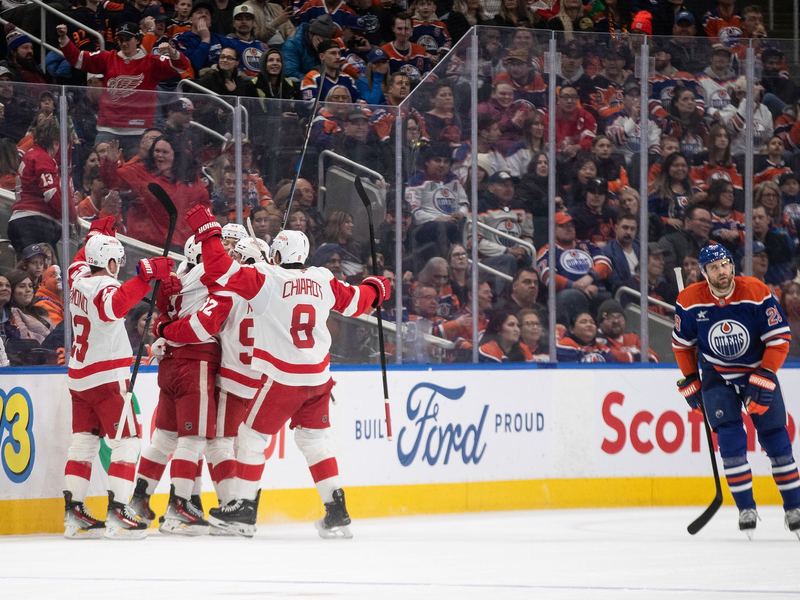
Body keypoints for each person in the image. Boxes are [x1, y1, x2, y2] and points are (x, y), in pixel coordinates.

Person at [184, 206, 389, 539]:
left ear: (276, 254)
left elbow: (220, 270)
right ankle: (336, 511)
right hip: (319, 379)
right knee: (314, 441)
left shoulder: (267, 277)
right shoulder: (323, 279)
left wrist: (209, 232)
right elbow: (358, 302)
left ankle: (244, 510)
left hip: (283, 378)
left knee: (251, 438)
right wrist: (378, 288)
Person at [673, 243, 800, 538]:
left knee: (777, 441)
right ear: (704, 273)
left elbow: (780, 339)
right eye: (714, 267)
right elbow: (682, 345)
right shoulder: (690, 300)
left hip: (757, 371)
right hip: (717, 375)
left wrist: (766, 375)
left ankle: (794, 507)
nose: (722, 271)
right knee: (730, 444)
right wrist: (691, 378)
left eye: (725, 264)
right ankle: (746, 509)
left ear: (732, 265)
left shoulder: (755, 291)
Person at [63, 220, 174, 539]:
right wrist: (145, 275)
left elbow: (78, 261)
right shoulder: (105, 286)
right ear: (110, 263)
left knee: (83, 444)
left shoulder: (77, 279)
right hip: (106, 378)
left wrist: (94, 237)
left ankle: (74, 514)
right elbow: (115, 306)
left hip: (79, 376)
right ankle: (118, 511)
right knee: (127, 442)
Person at [57, 22, 190, 159]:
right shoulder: (108, 58)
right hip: (108, 129)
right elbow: (78, 60)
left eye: (128, 39)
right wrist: (64, 38)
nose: (124, 43)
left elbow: (181, 67)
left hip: (139, 132)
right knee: (100, 171)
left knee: (135, 176)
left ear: (137, 40)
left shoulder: (151, 62)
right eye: (121, 40)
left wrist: (172, 52)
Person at [101, 136, 211, 249]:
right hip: (144, 247)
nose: (160, 155)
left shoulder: (191, 179)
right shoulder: (140, 171)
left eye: (165, 152)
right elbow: (111, 182)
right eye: (157, 151)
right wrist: (110, 163)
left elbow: (204, 211)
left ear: (176, 155)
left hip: (180, 248)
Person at [8, 118, 75, 258]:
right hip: (33, 223)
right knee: (46, 272)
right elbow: (52, 195)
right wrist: (71, 218)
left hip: (23, 220)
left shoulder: (32, 154)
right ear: (56, 143)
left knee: (40, 273)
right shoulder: (42, 158)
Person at [537, 211, 612, 324]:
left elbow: (605, 264)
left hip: (594, 290)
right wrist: (576, 286)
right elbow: (548, 276)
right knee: (572, 296)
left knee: (609, 300)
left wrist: (589, 278)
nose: (569, 228)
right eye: (563, 226)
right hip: (565, 293)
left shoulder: (586, 245)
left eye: (571, 225)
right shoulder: (547, 250)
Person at [405, 143, 468, 262]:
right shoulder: (417, 181)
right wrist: (438, 219)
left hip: (452, 225)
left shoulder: (453, 180)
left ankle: (460, 262)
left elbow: (464, 204)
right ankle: (450, 261)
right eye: (437, 160)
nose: (442, 165)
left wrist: (460, 214)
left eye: (446, 162)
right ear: (427, 162)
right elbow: (413, 210)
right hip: (424, 228)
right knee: (443, 227)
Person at [476, 171, 534, 279]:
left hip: (515, 256)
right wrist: (506, 251)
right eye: (503, 185)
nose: (509, 189)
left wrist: (523, 249)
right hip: (484, 261)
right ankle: (504, 295)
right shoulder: (479, 207)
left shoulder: (522, 207)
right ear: (491, 188)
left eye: (511, 185)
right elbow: (475, 241)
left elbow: (527, 236)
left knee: (530, 260)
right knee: (508, 259)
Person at [381, 12, 431, 83]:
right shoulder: (384, 51)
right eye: (399, 29)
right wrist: (414, 81)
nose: (403, 32)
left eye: (406, 29)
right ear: (393, 29)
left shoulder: (420, 49)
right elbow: (386, 79)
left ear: (412, 29)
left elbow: (427, 72)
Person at [195, 47, 259, 97]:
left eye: (229, 58)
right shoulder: (208, 77)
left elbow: (245, 104)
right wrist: (214, 109)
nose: (225, 60)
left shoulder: (240, 80)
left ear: (236, 63)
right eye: (222, 57)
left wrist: (234, 90)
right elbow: (195, 99)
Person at [602, 212, 639, 293]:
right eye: (625, 228)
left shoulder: (642, 247)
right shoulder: (607, 252)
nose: (629, 232)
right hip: (628, 295)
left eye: (632, 229)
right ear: (616, 228)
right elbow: (616, 283)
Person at [708, 179, 743, 253]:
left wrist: (738, 234)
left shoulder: (739, 217)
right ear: (716, 194)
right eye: (726, 192)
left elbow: (751, 236)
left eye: (732, 193)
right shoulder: (707, 215)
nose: (731, 195)